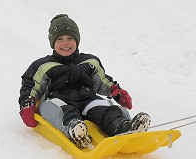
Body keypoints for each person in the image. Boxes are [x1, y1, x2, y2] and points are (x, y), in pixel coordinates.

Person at [19, 14, 151, 149]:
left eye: (70, 38)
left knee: (106, 108)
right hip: (59, 99)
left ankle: (124, 127)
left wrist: (115, 90)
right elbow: (31, 86)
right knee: (56, 109)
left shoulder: (89, 61)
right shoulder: (43, 65)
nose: (66, 43)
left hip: (87, 99)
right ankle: (75, 129)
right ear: (52, 42)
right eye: (60, 39)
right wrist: (27, 103)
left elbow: (102, 80)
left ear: (77, 40)